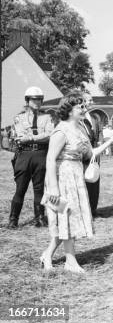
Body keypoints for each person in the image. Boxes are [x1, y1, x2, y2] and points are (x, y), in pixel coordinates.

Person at [40, 93, 113, 272]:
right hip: (62, 179)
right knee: (66, 218)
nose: (84, 109)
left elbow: (90, 154)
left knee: (68, 220)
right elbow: (50, 159)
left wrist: (111, 141)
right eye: (80, 107)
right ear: (69, 110)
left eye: (84, 106)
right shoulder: (61, 129)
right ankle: (70, 262)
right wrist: (53, 188)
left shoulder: (79, 129)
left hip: (76, 177)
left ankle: (47, 255)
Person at [8, 86, 55, 229]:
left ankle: (40, 218)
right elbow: (20, 137)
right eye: (34, 99)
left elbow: (50, 135)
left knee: (39, 188)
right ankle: (13, 219)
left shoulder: (48, 117)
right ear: (27, 100)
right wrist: (37, 137)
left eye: (40, 99)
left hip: (41, 155)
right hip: (24, 155)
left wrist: (30, 137)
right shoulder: (19, 117)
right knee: (20, 188)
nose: (37, 102)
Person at [78, 93, 104, 217]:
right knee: (84, 181)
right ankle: (84, 209)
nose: (91, 102)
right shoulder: (78, 117)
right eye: (89, 100)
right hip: (83, 153)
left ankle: (93, 208)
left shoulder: (95, 116)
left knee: (94, 180)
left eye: (91, 100)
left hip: (95, 152)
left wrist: (100, 143)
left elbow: (100, 132)